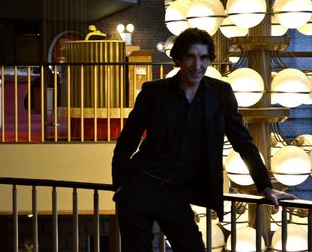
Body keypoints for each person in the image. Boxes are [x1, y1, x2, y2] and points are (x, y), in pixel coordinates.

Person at [112, 28, 295, 252]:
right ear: (178, 59)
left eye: (203, 57)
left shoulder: (220, 93)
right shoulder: (154, 92)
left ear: (210, 60)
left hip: (176, 194)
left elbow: (242, 141)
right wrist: (120, 185)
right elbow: (127, 141)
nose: (197, 65)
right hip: (140, 188)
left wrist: (265, 186)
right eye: (190, 56)